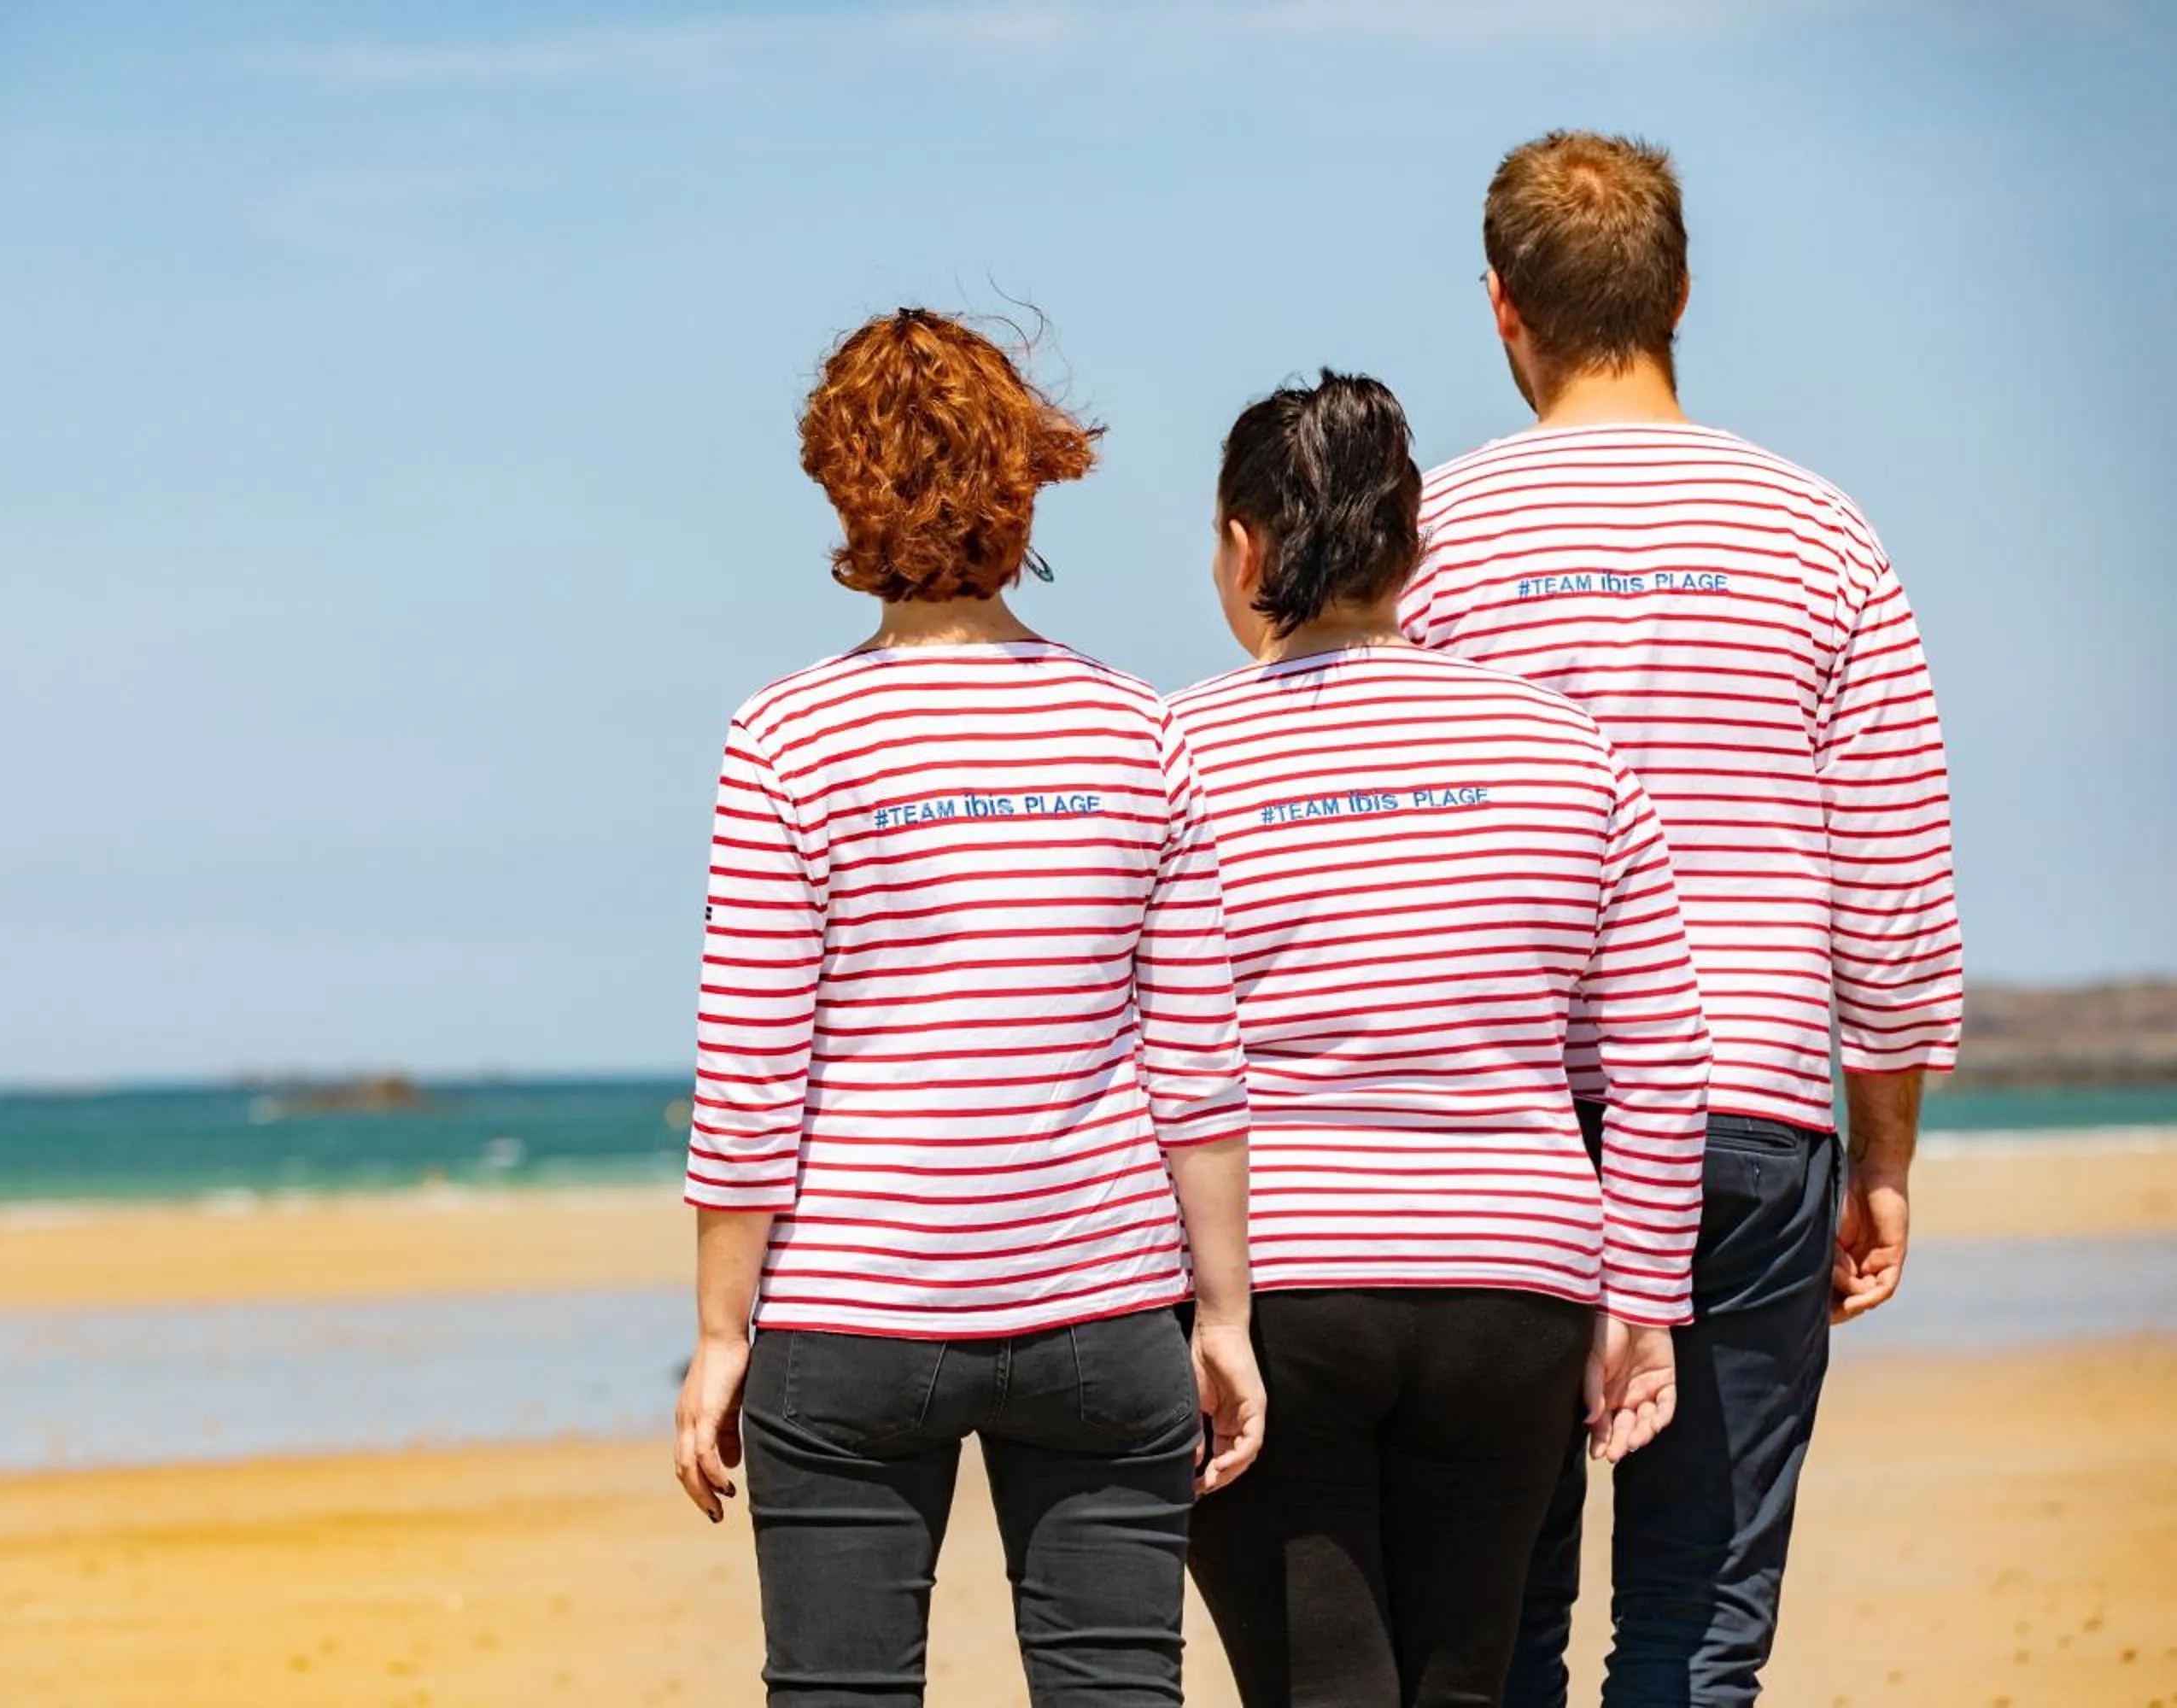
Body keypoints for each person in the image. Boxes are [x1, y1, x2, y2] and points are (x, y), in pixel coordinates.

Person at [1402, 132, 1965, 1705]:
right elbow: (1896, 889)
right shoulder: (1818, 534)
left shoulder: (1434, 538)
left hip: (1506, 1124)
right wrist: (1889, 1152)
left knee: (1493, 1620)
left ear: (1503, 308)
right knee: (1698, 1614)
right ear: (1682, 294)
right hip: (1748, 1106)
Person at [670, 307, 1267, 1708]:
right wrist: (1225, 1313)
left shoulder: (786, 739)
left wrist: (718, 1338)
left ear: (842, 487)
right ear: (1026, 481)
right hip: (1107, 1304)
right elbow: (1195, 1059)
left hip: (851, 1315)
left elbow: (753, 1075)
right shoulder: (1137, 727)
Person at [1171, 370, 1714, 1708]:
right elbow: (1656, 1054)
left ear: (1244, 550)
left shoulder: (1174, 753)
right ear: (1415, 551)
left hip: (1276, 1286)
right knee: (1463, 1688)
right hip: (1514, 1287)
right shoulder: (1573, 753)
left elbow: (1135, 1047)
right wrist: (1640, 1301)